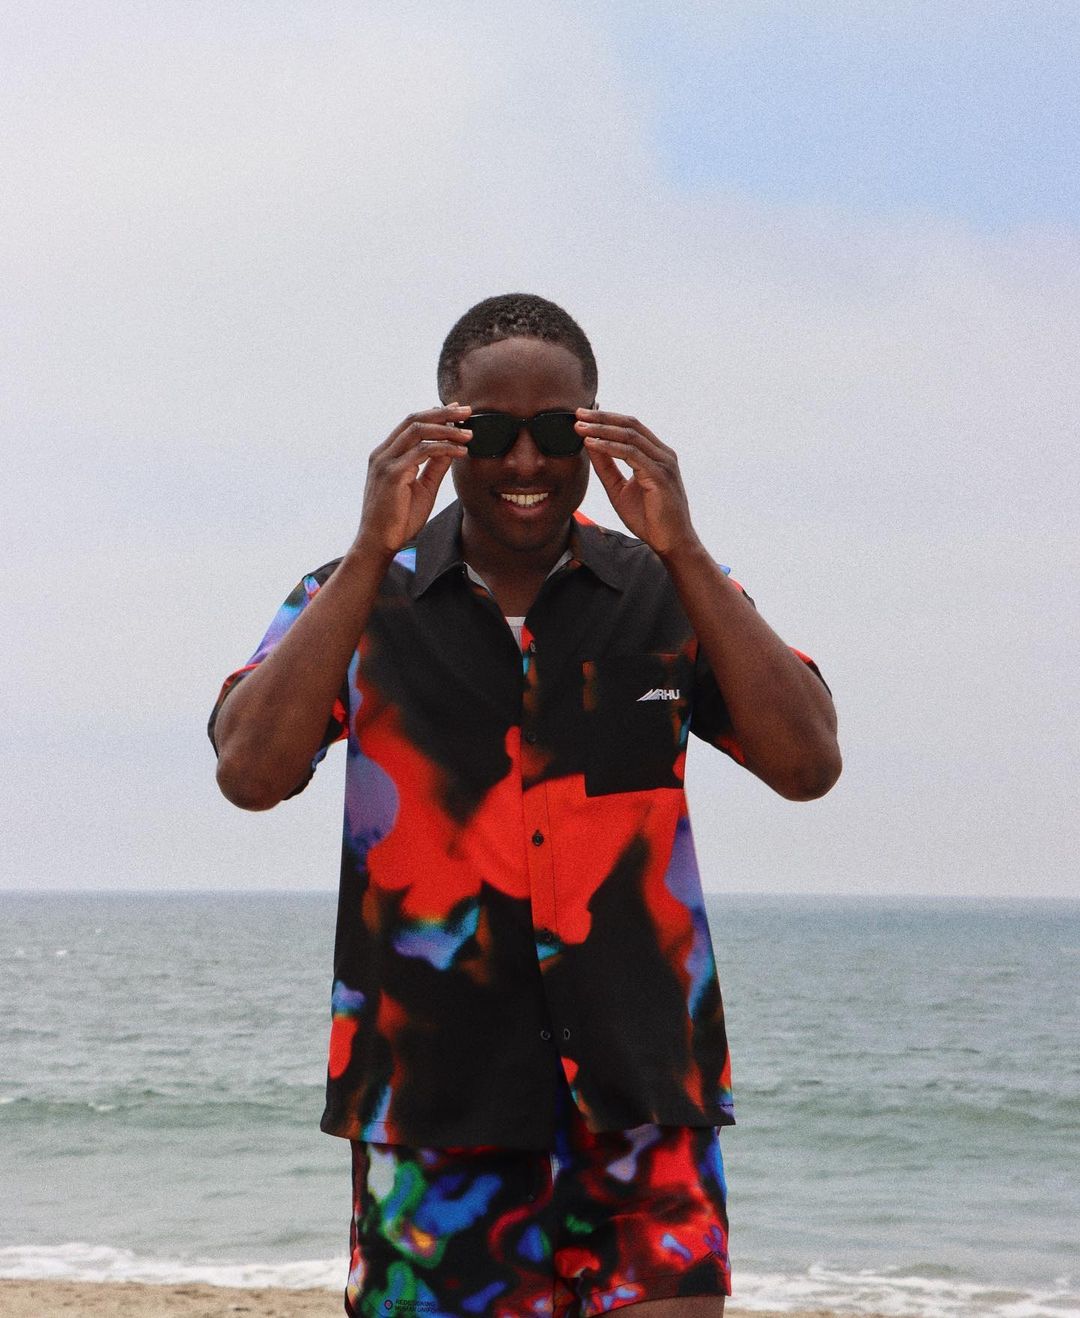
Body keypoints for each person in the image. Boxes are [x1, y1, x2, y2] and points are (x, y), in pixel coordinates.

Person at [209, 294, 841, 1318]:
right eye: (491, 431)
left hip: (644, 1102)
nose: (525, 461)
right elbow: (250, 773)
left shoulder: (671, 591)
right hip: (431, 1111)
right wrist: (367, 552)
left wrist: (685, 549)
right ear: (444, 430)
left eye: (555, 430)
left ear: (595, 430)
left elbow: (808, 764)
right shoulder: (355, 597)